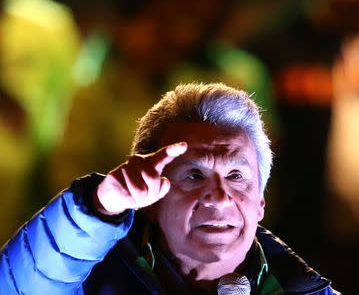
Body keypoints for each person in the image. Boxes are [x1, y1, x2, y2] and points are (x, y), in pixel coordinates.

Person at [0, 83, 339, 294]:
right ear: (150, 200)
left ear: (261, 202)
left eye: (236, 176)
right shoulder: (89, 281)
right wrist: (98, 206)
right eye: (194, 175)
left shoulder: (305, 290)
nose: (220, 197)